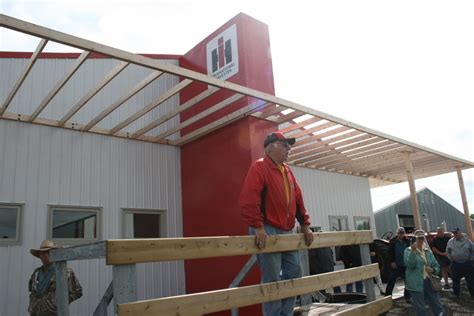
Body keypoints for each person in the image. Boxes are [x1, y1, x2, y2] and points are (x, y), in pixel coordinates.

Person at [239, 131, 314, 316]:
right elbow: (249, 200)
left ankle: (285, 314)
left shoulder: (287, 170)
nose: (289, 148)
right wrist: (258, 226)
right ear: (271, 147)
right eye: (284, 145)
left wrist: (304, 224)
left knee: (294, 272)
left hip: (287, 230)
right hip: (267, 229)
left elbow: (297, 199)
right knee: (272, 279)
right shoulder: (259, 167)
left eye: (289, 145)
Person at [28, 240, 82, 315]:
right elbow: (32, 291)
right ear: (39, 256)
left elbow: (77, 291)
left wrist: (58, 303)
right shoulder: (36, 273)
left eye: (49, 252)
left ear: (55, 254)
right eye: (43, 253)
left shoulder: (66, 273)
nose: (46, 255)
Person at [404, 229, 444, 316]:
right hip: (415, 283)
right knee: (421, 308)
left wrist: (433, 270)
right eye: (418, 238)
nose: (421, 240)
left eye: (422, 238)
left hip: (429, 281)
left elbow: (436, 266)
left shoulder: (428, 251)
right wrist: (413, 252)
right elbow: (410, 265)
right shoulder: (408, 251)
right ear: (414, 239)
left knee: (437, 304)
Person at [446, 227, 474, 299]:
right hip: (456, 264)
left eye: (456, 233)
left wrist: (471, 259)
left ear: (460, 233)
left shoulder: (467, 241)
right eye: (454, 233)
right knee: (455, 280)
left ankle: (473, 294)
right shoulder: (450, 241)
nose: (455, 234)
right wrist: (451, 258)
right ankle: (456, 294)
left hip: (467, 263)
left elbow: (473, 250)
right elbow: (447, 251)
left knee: (470, 280)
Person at [385, 227, 411, 302]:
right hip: (395, 264)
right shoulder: (392, 242)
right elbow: (389, 253)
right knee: (391, 280)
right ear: (397, 233)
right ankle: (387, 297)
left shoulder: (408, 241)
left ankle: (407, 297)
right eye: (400, 233)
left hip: (405, 264)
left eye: (402, 233)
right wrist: (392, 262)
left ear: (404, 233)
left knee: (408, 281)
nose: (401, 234)